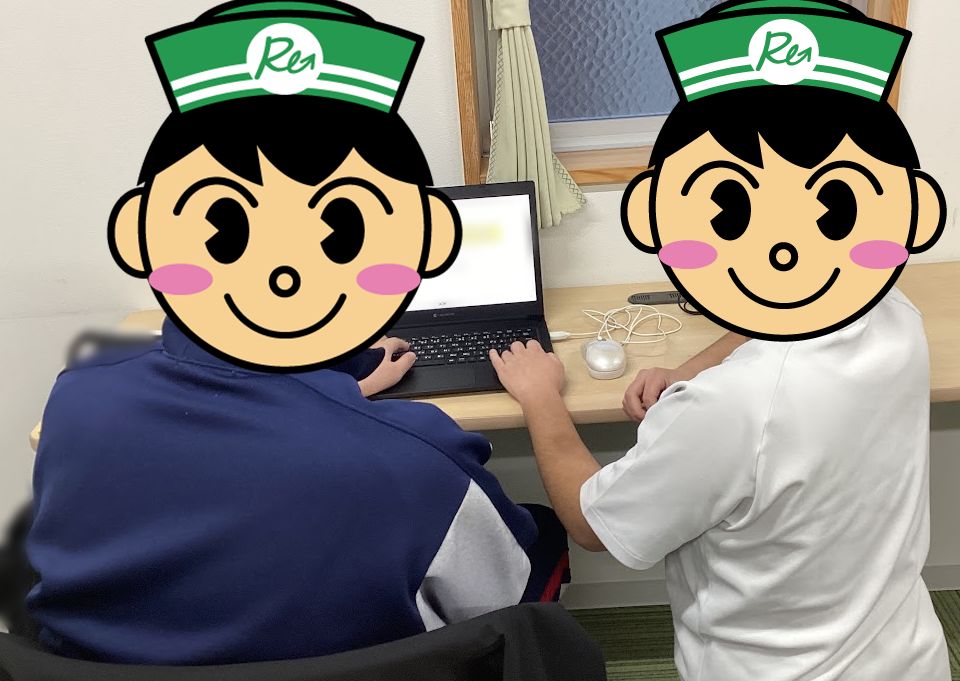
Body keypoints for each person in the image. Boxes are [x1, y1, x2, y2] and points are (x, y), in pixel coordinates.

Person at [24, 0, 568, 666]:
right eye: (226, 226)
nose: (284, 277)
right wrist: (334, 406)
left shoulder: (74, 405)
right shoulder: (419, 460)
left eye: (341, 232)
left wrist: (332, 393)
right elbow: (501, 601)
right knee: (537, 535)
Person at [490, 1, 950, 680]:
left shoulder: (730, 410)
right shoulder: (893, 311)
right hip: (908, 658)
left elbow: (591, 525)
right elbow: (785, 303)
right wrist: (692, 366)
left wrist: (541, 398)